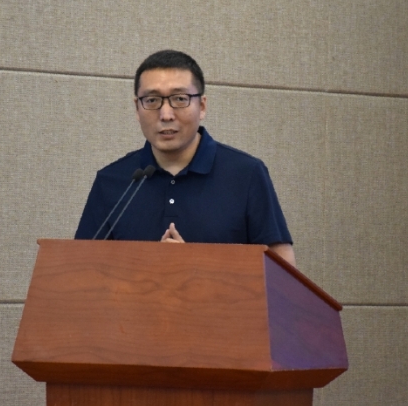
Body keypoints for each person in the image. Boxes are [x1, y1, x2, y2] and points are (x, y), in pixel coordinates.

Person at [75, 50, 296, 266]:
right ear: (137, 108)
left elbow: (282, 275)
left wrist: (192, 267)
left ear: (202, 106)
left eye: (180, 99)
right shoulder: (112, 181)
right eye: (151, 100)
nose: (166, 115)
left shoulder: (246, 174)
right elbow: (82, 271)